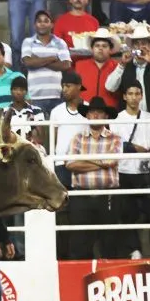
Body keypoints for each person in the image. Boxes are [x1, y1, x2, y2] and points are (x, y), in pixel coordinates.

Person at [65, 96, 121, 259]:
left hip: (107, 195)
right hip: (81, 195)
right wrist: (101, 162)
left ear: (105, 116)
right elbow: (70, 164)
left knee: (109, 240)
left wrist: (85, 160)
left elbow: (112, 161)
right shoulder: (77, 137)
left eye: (100, 112)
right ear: (87, 115)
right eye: (92, 112)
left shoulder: (114, 138)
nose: (96, 115)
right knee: (79, 240)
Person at [109, 80, 150, 260]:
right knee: (127, 214)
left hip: (146, 172)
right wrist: (137, 148)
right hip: (125, 171)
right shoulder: (117, 119)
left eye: (137, 93)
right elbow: (117, 145)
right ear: (125, 96)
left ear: (141, 96)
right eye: (130, 94)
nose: (134, 97)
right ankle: (134, 250)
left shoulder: (149, 117)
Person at [21, 10, 71, 115]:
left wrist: (37, 59)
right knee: (39, 131)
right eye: (39, 21)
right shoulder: (28, 42)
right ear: (35, 25)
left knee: (56, 129)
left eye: (46, 21)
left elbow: (66, 65)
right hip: (35, 96)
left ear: (52, 24)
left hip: (57, 95)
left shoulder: (60, 42)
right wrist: (52, 58)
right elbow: (28, 62)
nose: (42, 24)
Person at [50, 70, 87, 189]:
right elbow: (52, 139)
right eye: (63, 86)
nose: (64, 89)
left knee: (81, 202)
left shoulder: (90, 109)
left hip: (83, 162)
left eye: (68, 86)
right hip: (61, 163)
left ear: (79, 87)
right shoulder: (56, 111)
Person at [105, 25, 150, 112]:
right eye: (137, 44)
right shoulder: (125, 65)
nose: (140, 47)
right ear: (132, 47)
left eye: (144, 43)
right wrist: (122, 65)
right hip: (129, 118)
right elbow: (110, 87)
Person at [75, 28, 121, 108]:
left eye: (104, 46)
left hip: (110, 112)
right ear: (92, 49)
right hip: (85, 111)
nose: (100, 48)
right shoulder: (80, 65)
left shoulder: (118, 67)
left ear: (110, 49)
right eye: (97, 45)